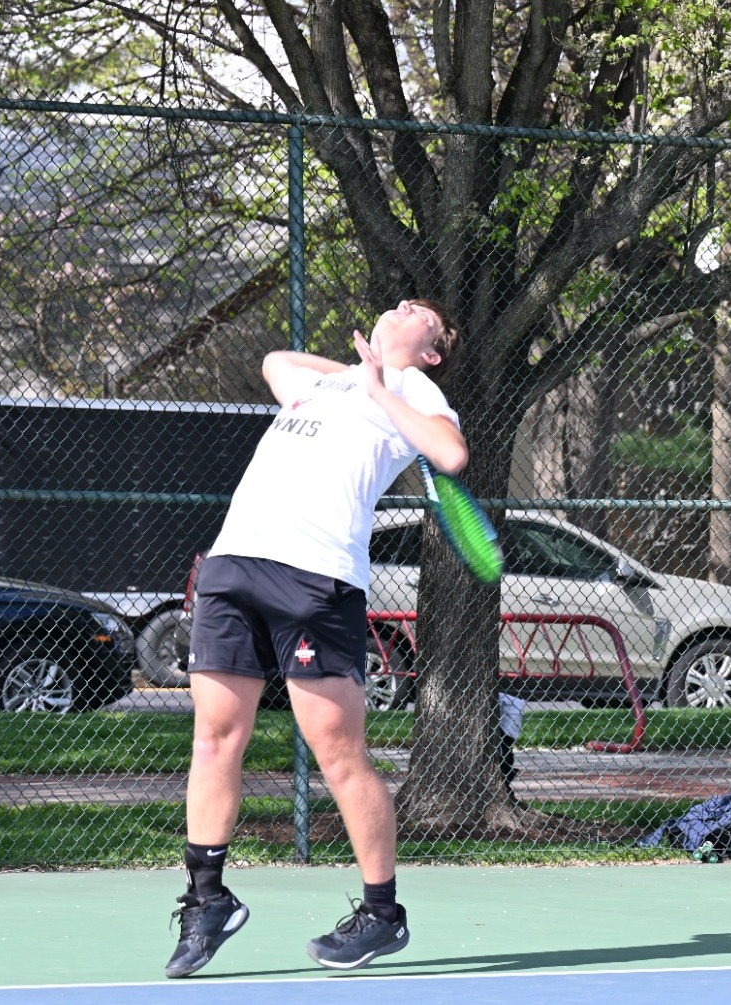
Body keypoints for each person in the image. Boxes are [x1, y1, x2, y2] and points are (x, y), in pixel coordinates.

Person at [165, 299, 466, 978]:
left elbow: (450, 453)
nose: (401, 304)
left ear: (433, 350)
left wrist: (385, 385)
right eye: (398, 302)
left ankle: (383, 914)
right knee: (214, 737)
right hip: (234, 560)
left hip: (315, 576)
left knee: (337, 752)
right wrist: (357, 374)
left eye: (418, 311)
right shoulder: (333, 382)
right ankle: (206, 899)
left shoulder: (417, 390)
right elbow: (276, 363)